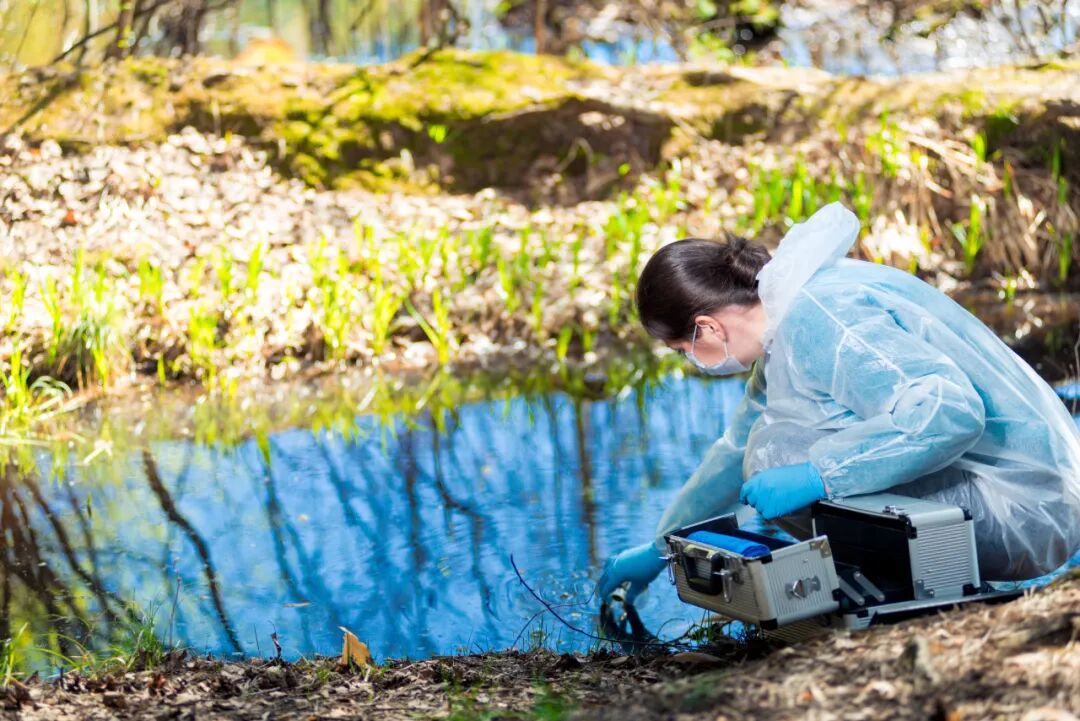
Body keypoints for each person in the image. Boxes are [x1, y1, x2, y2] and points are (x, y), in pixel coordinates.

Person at [596, 201, 1080, 605]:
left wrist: (819, 475)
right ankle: (891, 585)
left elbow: (949, 413)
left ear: (708, 327)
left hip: (1024, 506)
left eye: (685, 351)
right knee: (762, 450)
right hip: (1007, 487)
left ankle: (912, 592)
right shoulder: (784, 324)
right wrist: (662, 547)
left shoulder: (823, 317)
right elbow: (733, 447)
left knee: (777, 456)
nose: (693, 362)